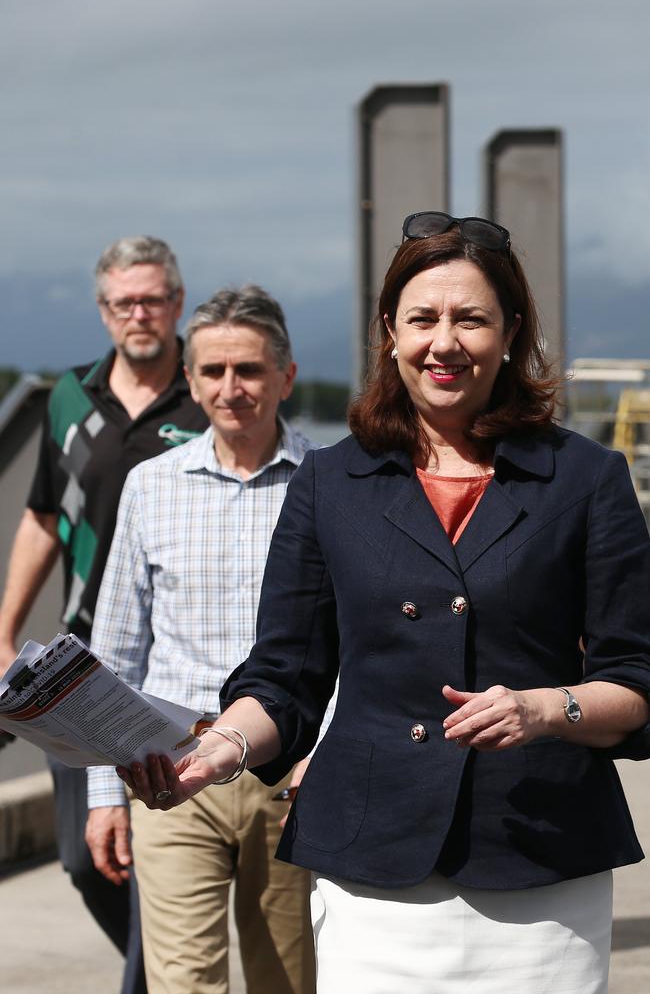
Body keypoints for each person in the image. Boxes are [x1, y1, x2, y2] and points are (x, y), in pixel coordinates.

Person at [122, 213, 650, 994]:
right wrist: (219, 750)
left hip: (541, 860)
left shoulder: (588, 479)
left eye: (471, 318)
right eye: (423, 319)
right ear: (389, 332)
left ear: (510, 331)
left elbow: (635, 682)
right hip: (370, 866)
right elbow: (284, 677)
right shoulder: (329, 482)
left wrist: (545, 710)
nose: (445, 342)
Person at [86, 286, 318, 994]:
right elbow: (116, 649)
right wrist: (104, 793)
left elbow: (360, 642)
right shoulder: (150, 486)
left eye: (247, 370)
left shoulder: (331, 485)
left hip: (291, 779)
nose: (230, 389)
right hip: (168, 773)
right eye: (212, 372)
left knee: (288, 980)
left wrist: (330, 752)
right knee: (183, 983)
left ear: (286, 376)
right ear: (189, 380)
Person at [0, 236, 207, 994]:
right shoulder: (68, 397)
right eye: (124, 302)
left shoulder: (207, 387)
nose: (139, 314)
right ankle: (168, 968)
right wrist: (3, 628)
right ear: (103, 310)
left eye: (153, 298)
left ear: (177, 303)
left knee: (164, 848)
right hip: (79, 667)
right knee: (88, 860)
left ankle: (162, 976)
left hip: (177, 667)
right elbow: (42, 517)